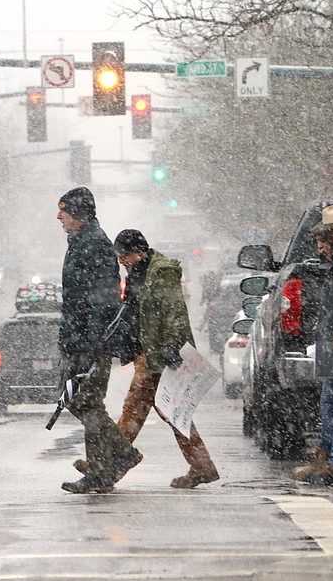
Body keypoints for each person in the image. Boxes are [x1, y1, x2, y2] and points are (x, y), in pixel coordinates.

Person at [103, 229, 218, 488]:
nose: (122, 260)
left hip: (157, 355)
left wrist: (171, 346)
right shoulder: (138, 273)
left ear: (139, 251)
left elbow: (174, 312)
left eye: (125, 255)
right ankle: (202, 465)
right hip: (148, 352)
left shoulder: (160, 273)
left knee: (135, 408)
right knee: (171, 412)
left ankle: (108, 463)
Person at [54, 187, 141, 494]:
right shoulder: (80, 242)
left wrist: (92, 343)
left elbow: (103, 299)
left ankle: (119, 457)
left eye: (64, 211)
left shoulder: (95, 245)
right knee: (84, 403)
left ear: (79, 214)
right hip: (78, 338)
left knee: (85, 402)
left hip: (89, 342)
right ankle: (103, 470)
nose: (59, 216)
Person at [294, 204, 333, 484]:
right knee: (328, 400)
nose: (320, 247)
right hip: (330, 342)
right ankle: (325, 457)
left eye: (324, 240)